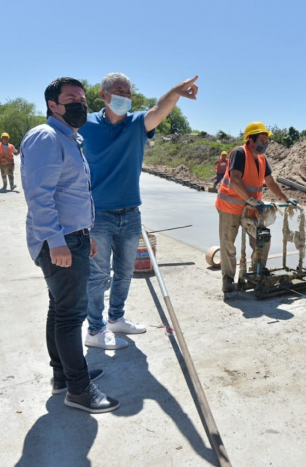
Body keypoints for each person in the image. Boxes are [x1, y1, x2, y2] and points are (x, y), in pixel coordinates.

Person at [79, 72, 199, 350]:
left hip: (131, 213)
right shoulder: (86, 124)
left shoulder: (137, 124)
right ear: (103, 95)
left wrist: (176, 91)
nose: (125, 96)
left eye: (129, 92)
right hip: (97, 215)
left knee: (124, 272)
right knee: (98, 276)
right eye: (119, 90)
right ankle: (95, 330)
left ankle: (116, 318)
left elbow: (160, 109)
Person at [20, 77, 119, 413]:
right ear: (53, 105)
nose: (80, 103)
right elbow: (39, 196)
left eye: (82, 98)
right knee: (70, 316)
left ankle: (64, 376)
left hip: (73, 237)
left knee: (59, 310)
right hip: (59, 241)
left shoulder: (68, 139)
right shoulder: (46, 137)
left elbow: (72, 193)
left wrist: (85, 234)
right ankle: (78, 389)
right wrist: (57, 242)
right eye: (71, 98)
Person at [215, 122, 297, 293]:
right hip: (230, 207)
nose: (265, 144)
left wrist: (286, 198)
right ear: (250, 140)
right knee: (228, 243)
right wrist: (251, 199)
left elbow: (271, 182)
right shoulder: (239, 153)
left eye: (266, 141)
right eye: (262, 140)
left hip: (251, 209)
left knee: (262, 240)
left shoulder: (262, 159)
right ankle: (228, 279)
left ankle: (255, 274)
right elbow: (235, 179)